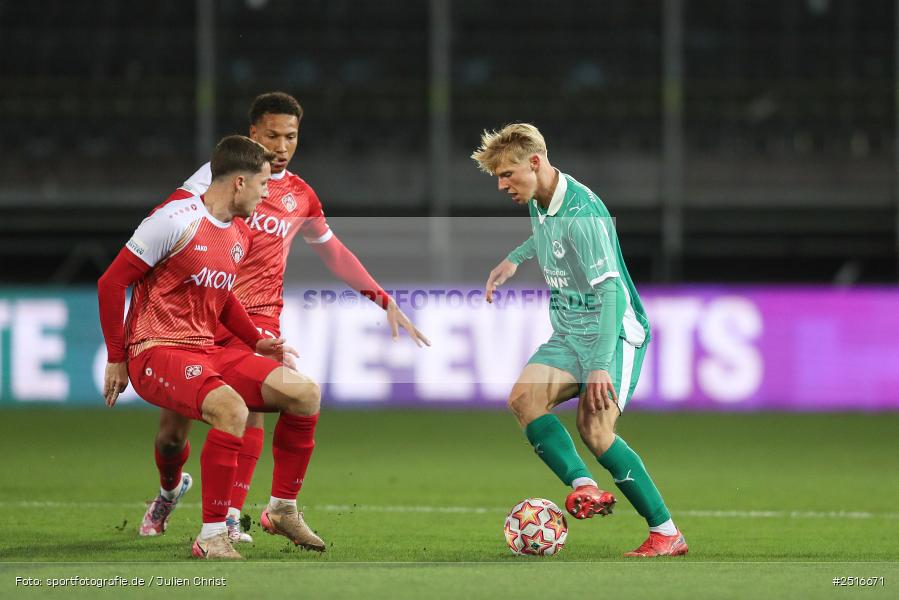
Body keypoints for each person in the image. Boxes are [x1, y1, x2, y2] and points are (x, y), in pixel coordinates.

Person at [138, 92, 429, 545]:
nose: (281, 144)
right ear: (252, 133)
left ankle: (232, 517)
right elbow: (164, 230)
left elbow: (333, 251)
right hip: (199, 321)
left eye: (290, 136)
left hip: (259, 324)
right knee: (172, 435)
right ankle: (169, 490)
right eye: (271, 134)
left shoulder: (300, 196)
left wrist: (382, 298)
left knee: (253, 410)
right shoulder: (213, 183)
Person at [99, 135, 325, 559]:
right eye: (262, 185)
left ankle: (282, 508)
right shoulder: (173, 220)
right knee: (228, 411)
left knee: (304, 393)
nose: (265, 195)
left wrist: (256, 339)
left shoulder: (239, 233)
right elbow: (112, 282)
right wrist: (117, 356)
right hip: (157, 347)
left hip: (207, 349)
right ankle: (212, 536)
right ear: (239, 182)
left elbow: (222, 298)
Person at [472, 123, 687, 557]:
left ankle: (666, 533)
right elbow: (545, 236)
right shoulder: (540, 199)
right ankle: (584, 485)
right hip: (570, 330)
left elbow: (610, 293)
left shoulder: (584, 213)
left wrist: (599, 365)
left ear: (535, 162)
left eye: (507, 174)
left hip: (614, 332)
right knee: (524, 400)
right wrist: (514, 260)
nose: (501, 185)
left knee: (595, 428)